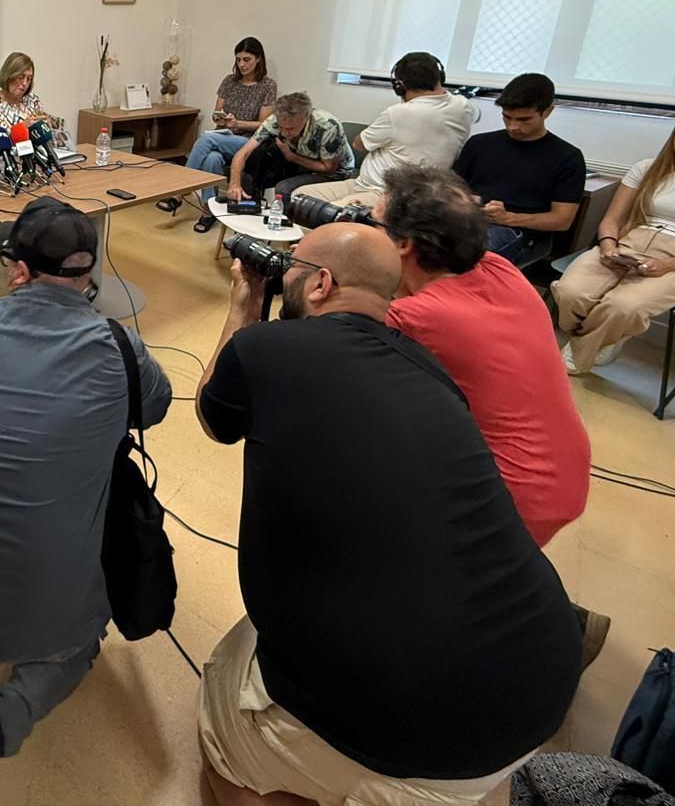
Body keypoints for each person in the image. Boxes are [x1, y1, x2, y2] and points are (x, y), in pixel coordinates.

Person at [194, 222, 581, 806]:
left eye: (292, 270)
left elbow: (213, 414)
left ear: (320, 284)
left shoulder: (265, 347)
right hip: (540, 687)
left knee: (224, 725)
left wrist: (245, 303)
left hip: (396, 719)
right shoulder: (430, 369)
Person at [0, 198, 171, 806]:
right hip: (30, 600)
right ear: (90, 276)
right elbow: (153, 407)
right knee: (82, 639)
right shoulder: (120, 349)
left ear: (17, 270)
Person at [377, 166, 592, 546]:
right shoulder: (500, 268)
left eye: (375, 226)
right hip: (564, 475)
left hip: (514, 495)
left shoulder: (418, 317)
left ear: (403, 243)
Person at [553, 104, 675, 376]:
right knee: (570, 292)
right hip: (627, 244)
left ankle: (585, 347)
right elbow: (612, 219)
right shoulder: (647, 168)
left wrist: (668, 265)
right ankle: (609, 334)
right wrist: (609, 246)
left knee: (622, 306)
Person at [293, 51, 477, 209]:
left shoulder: (399, 113)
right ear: (440, 78)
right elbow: (472, 114)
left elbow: (359, 144)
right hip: (362, 184)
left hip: (386, 193)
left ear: (400, 86)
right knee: (301, 195)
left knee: (320, 212)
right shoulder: (463, 106)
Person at [453, 73, 586, 266]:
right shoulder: (479, 144)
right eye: (507, 117)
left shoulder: (567, 157)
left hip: (521, 231)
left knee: (469, 254)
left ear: (547, 111)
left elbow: (562, 220)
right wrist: (464, 199)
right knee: (411, 237)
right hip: (468, 219)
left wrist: (510, 218)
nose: (513, 126)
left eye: (524, 120)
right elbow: (452, 187)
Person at [157, 37, 277, 232]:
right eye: (238, 60)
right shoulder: (229, 81)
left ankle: (179, 192)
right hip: (223, 136)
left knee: (206, 139)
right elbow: (216, 114)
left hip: (249, 142)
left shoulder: (267, 86)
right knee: (212, 158)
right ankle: (208, 212)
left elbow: (264, 125)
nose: (242, 64)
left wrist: (238, 123)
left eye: (246, 59)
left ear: (258, 60)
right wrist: (222, 119)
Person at [225, 91, 356, 208]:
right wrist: (234, 184)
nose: (285, 132)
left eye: (291, 128)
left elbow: (329, 169)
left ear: (305, 118)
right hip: (299, 163)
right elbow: (243, 153)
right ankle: (250, 211)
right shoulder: (274, 120)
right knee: (254, 163)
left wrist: (291, 157)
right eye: (282, 127)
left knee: (284, 188)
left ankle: (285, 227)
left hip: (334, 173)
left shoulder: (328, 126)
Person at [0, 51, 70, 149]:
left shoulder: (33, 100)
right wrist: (22, 127)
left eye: (29, 79)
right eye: (21, 77)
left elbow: (43, 134)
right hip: (5, 160)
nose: (25, 83)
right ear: (9, 75)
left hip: (36, 157)